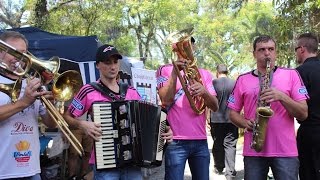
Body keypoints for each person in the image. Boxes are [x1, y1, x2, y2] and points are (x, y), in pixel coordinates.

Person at [63, 44, 172, 180]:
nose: (113, 67)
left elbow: (149, 121)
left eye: (115, 62)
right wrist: (83, 125)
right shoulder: (88, 90)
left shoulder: (131, 92)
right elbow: (66, 117)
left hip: (133, 164)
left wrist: (165, 130)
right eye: (107, 63)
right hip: (106, 163)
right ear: (98, 65)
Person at [227, 35, 308, 180]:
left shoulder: (292, 74)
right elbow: (232, 113)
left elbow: (303, 113)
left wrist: (282, 97)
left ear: (276, 52)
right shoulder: (242, 79)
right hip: (254, 151)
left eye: (271, 49)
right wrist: (245, 123)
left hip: (285, 151)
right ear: (254, 54)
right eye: (262, 50)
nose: (267, 53)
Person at [156, 37, 219, 180]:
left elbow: (215, 106)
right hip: (175, 142)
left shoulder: (204, 74)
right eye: (181, 44)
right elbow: (165, 100)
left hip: (201, 141)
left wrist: (204, 92)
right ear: (174, 47)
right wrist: (175, 73)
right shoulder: (164, 69)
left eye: (188, 45)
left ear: (193, 48)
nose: (185, 48)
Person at [0, 31, 56, 179]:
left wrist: (52, 103)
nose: (20, 59)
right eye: (15, 52)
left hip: (31, 169)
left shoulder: (33, 83)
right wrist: (24, 102)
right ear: (1, 52)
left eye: (24, 53)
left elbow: (51, 124)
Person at [295, 32, 320, 180]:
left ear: (302, 49)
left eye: (296, 49)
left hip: (310, 132)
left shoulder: (299, 73)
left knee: (309, 173)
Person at [210, 64, 238, 180]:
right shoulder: (235, 83)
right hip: (232, 118)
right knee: (230, 145)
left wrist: (208, 117)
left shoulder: (213, 83)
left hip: (216, 118)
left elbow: (209, 100)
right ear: (227, 71)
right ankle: (230, 172)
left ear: (217, 71)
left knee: (217, 143)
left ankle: (219, 167)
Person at [68, 113, 94, 180]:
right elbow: (66, 113)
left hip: (90, 127)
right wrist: (64, 130)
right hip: (76, 127)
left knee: (88, 153)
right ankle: (72, 176)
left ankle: (83, 176)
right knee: (74, 153)